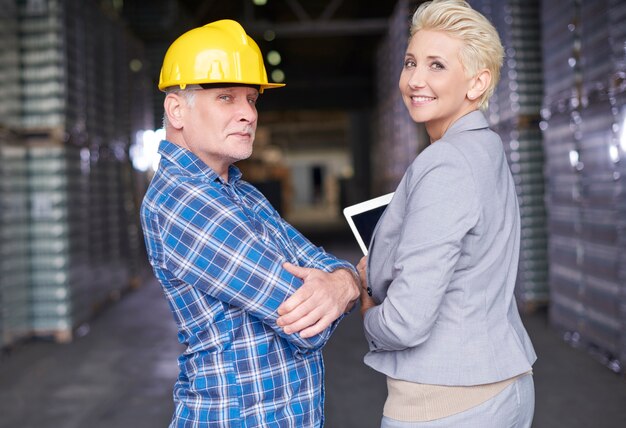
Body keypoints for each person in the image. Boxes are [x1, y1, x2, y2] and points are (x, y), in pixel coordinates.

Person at [140, 19, 360, 427]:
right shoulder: (180, 201)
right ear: (176, 110)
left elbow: (322, 263)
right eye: (226, 97)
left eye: (252, 99)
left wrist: (342, 280)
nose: (248, 114)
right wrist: (351, 280)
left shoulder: (241, 193)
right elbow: (306, 322)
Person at [356, 1, 537, 427]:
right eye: (410, 62)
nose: (415, 79)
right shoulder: (487, 148)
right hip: (503, 386)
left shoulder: (445, 162)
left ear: (478, 83)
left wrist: (368, 310)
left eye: (437, 65)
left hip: (446, 405)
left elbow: (404, 324)